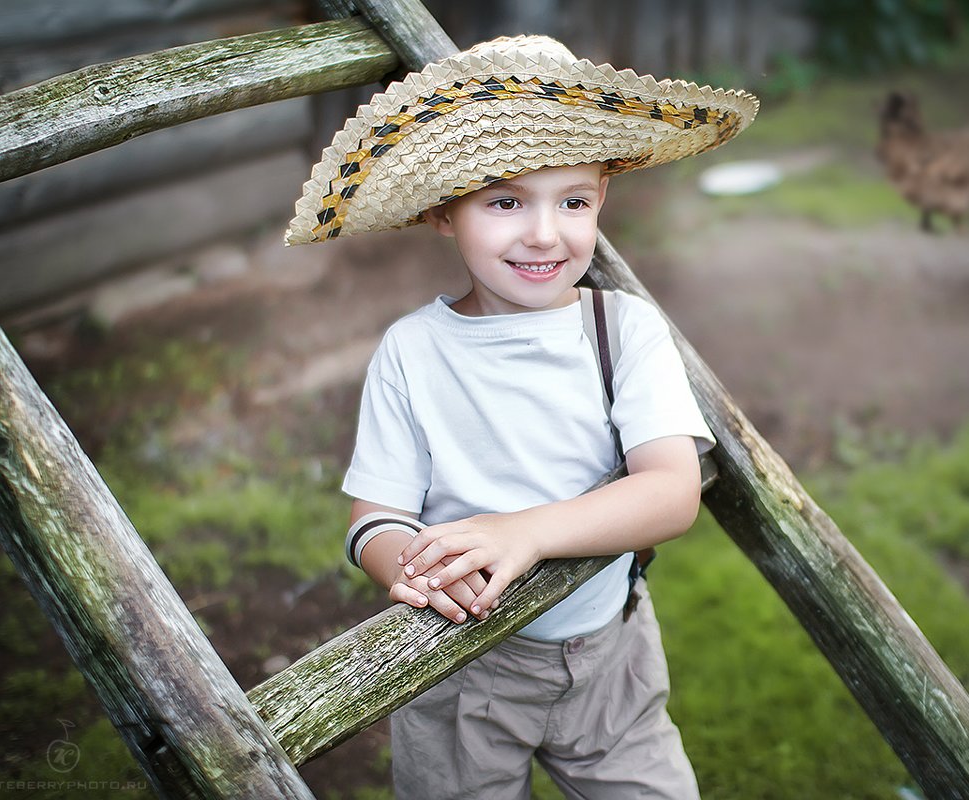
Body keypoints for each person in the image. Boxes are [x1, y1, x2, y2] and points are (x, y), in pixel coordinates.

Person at [287, 34, 757, 800]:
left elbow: (670, 492)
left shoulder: (623, 331)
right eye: (505, 201)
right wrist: (418, 575)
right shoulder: (413, 353)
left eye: (572, 201)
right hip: (461, 670)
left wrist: (525, 533)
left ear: (601, 196)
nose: (544, 233)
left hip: (612, 659)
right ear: (445, 212)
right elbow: (376, 515)